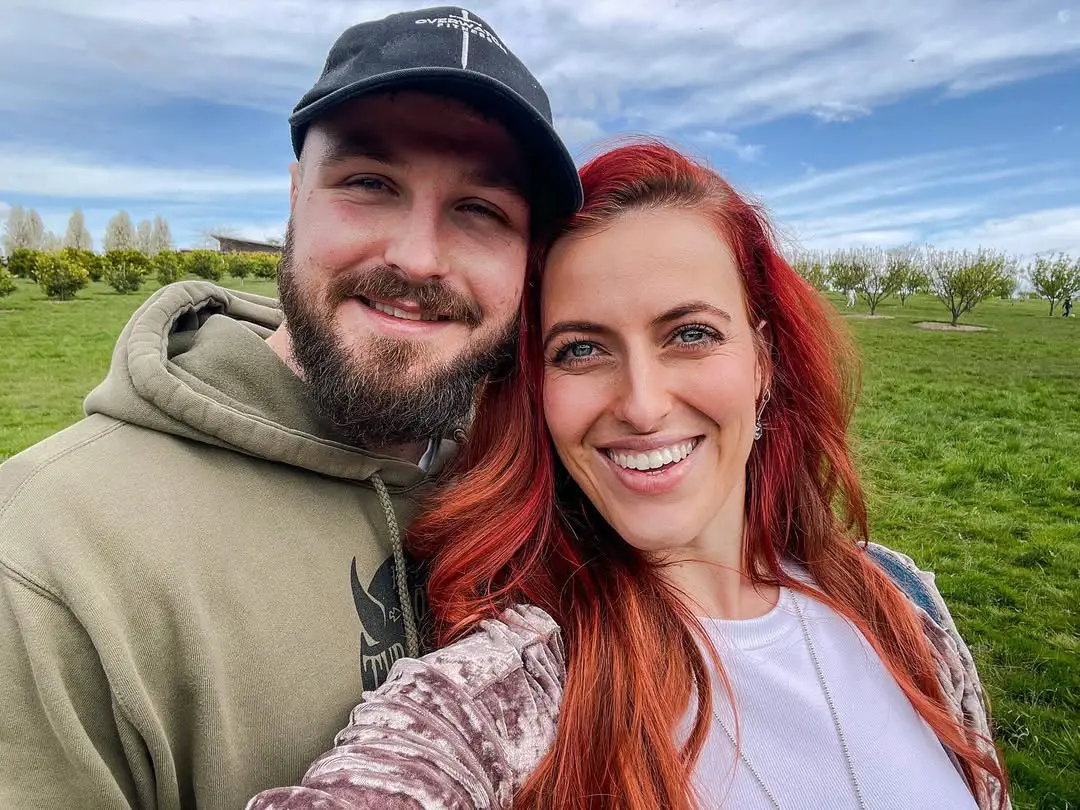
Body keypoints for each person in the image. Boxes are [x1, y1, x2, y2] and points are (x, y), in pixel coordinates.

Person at [248, 143, 1010, 810]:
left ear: (763, 363)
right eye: (581, 349)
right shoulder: (510, 690)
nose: (642, 406)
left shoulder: (900, 603)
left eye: (691, 334)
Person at [0, 8, 580, 809]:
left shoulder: (530, 488)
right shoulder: (46, 557)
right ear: (296, 196)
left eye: (482, 210)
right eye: (370, 184)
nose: (417, 257)